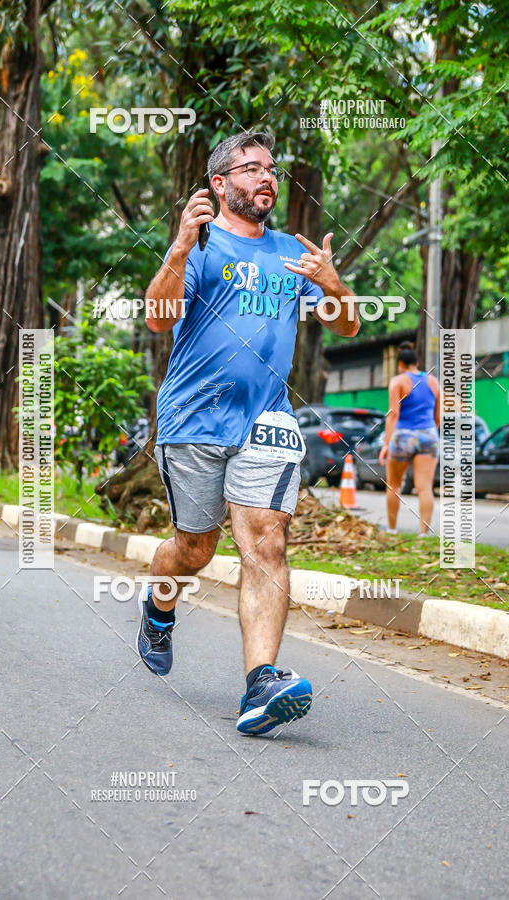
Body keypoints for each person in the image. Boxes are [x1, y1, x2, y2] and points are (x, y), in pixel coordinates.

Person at [140, 131, 359, 735]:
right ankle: (160, 603)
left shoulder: (293, 253)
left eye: (272, 169)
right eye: (252, 168)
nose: (267, 177)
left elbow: (346, 326)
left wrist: (334, 284)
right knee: (195, 550)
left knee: (265, 542)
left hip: (266, 421)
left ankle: (261, 682)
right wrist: (180, 246)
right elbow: (159, 319)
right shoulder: (202, 247)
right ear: (219, 183)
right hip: (193, 419)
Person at [378, 341, 440, 536]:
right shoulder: (433, 381)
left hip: (403, 435)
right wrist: (428, 432)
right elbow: (438, 417)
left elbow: (394, 414)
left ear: (400, 365)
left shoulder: (398, 381)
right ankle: (423, 533)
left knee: (394, 485)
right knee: (424, 488)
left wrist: (386, 444)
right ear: (417, 363)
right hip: (428, 435)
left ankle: (393, 529)